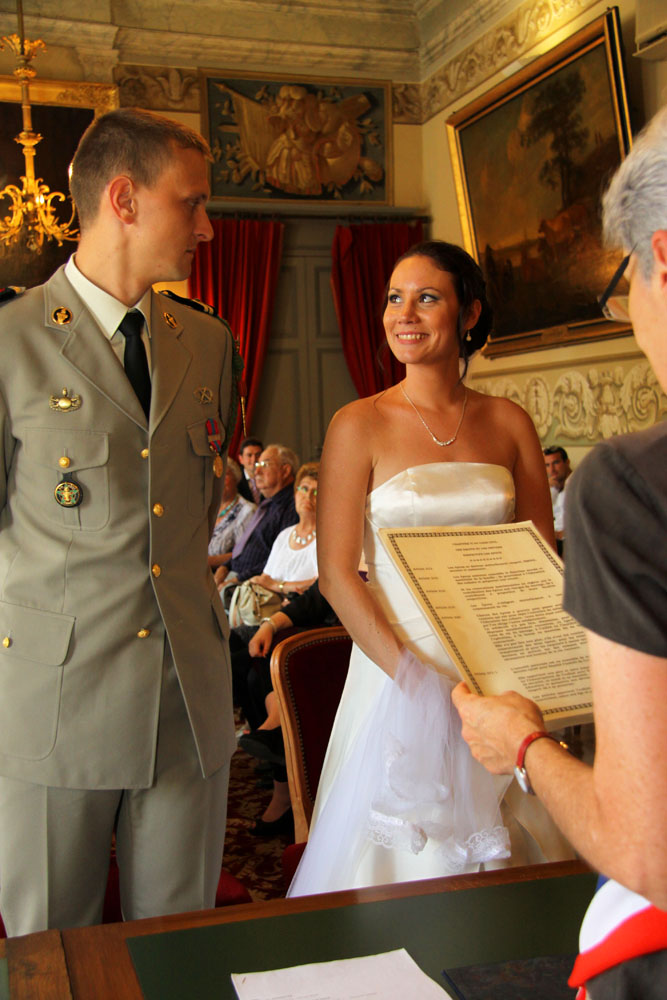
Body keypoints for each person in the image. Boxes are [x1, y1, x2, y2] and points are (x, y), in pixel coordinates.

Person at [0, 108, 237, 935]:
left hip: (187, 703)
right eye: (193, 204)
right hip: (55, 701)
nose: (207, 227)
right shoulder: (11, 342)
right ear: (126, 199)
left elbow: (194, 510)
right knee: (47, 954)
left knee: (176, 954)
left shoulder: (206, 343)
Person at [452, 111, 667, 999]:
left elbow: (646, 849)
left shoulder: (636, 486)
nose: (626, 310)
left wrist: (525, 744)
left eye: (624, 282)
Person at [288, 240, 573, 897]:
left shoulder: (508, 422)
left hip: (495, 670)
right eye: (393, 297)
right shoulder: (357, 423)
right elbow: (335, 575)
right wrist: (416, 683)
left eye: (426, 297)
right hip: (399, 672)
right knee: (408, 861)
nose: (403, 314)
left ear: (468, 313)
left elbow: (539, 566)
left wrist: (538, 669)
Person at [214, 443, 299, 590]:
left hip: (253, 584)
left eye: (265, 464)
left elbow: (278, 560)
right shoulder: (268, 504)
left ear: (285, 471)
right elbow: (243, 547)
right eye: (257, 464)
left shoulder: (292, 506)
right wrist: (225, 567)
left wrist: (235, 580)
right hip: (233, 574)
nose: (256, 471)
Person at [208, 457, 256, 570]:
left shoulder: (247, 511)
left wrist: (208, 561)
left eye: (224, 474)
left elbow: (244, 554)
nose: (218, 479)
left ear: (236, 478)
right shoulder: (208, 509)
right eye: (214, 474)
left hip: (225, 575)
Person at [543, 445, 571, 554]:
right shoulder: (550, 486)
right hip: (552, 539)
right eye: (547, 465)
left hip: (569, 540)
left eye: (556, 463)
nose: (552, 470)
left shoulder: (576, 485)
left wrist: (563, 534)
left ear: (567, 462)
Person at [237, 437, 263, 504]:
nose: (254, 459)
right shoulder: (236, 479)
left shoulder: (270, 478)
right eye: (249, 455)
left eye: (258, 455)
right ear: (241, 459)